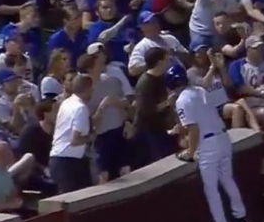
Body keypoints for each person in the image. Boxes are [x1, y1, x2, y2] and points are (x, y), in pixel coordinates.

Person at [168, 63, 250, 222]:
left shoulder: (181, 100)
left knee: (211, 188)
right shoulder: (199, 90)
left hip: (208, 145)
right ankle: (240, 217)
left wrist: (190, 152)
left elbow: (194, 129)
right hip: (222, 137)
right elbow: (199, 117)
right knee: (227, 179)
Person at [80, 46, 131, 183]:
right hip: (100, 137)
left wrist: (119, 107)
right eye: (98, 63)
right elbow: (87, 119)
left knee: (125, 169)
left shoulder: (111, 81)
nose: (102, 65)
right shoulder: (84, 89)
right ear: (90, 67)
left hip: (118, 131)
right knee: (104, 175)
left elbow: (126, 104)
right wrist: (102, 107)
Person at [227, 35, 264, 131]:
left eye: (261, 47)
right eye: (256, 48)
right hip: (252, 107)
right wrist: (262, 95)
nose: (260, 50)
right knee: (263, 113)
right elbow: (240, 88)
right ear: (248, 50)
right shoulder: (237, 66)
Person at [49, 73, 94, 194]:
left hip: (58, 159)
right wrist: (91, 137)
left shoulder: (66, 103)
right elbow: (75, 140)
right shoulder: (80, 108)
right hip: (68, 164)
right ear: (88, 88)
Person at [133, 47, 176, 166]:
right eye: (166, 59)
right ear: (159, 62)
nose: (169, 61)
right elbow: (146, 110)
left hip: (162, 126)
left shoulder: (162, 77)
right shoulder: (145, 83)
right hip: (149, 130)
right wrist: (167, 102)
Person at [128, 11, 190, 76]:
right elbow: (132, 70)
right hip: (162, 81)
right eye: (151, 22)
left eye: (155, 20)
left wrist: (175, 53)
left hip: (182, 75)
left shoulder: (170, 38)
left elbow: (189, 58)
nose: (156, 24)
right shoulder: (142, 46)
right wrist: (154, 62)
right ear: (142, 27)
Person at [0, 68, 35, 135]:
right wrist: (16, 107)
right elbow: (14, 129)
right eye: (9, 81)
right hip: (13, 139)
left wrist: (31, 105)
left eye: (14, 80)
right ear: (1, 86)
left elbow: (38, 119)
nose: (13, 83)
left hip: (33, 133)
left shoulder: (26, 96)